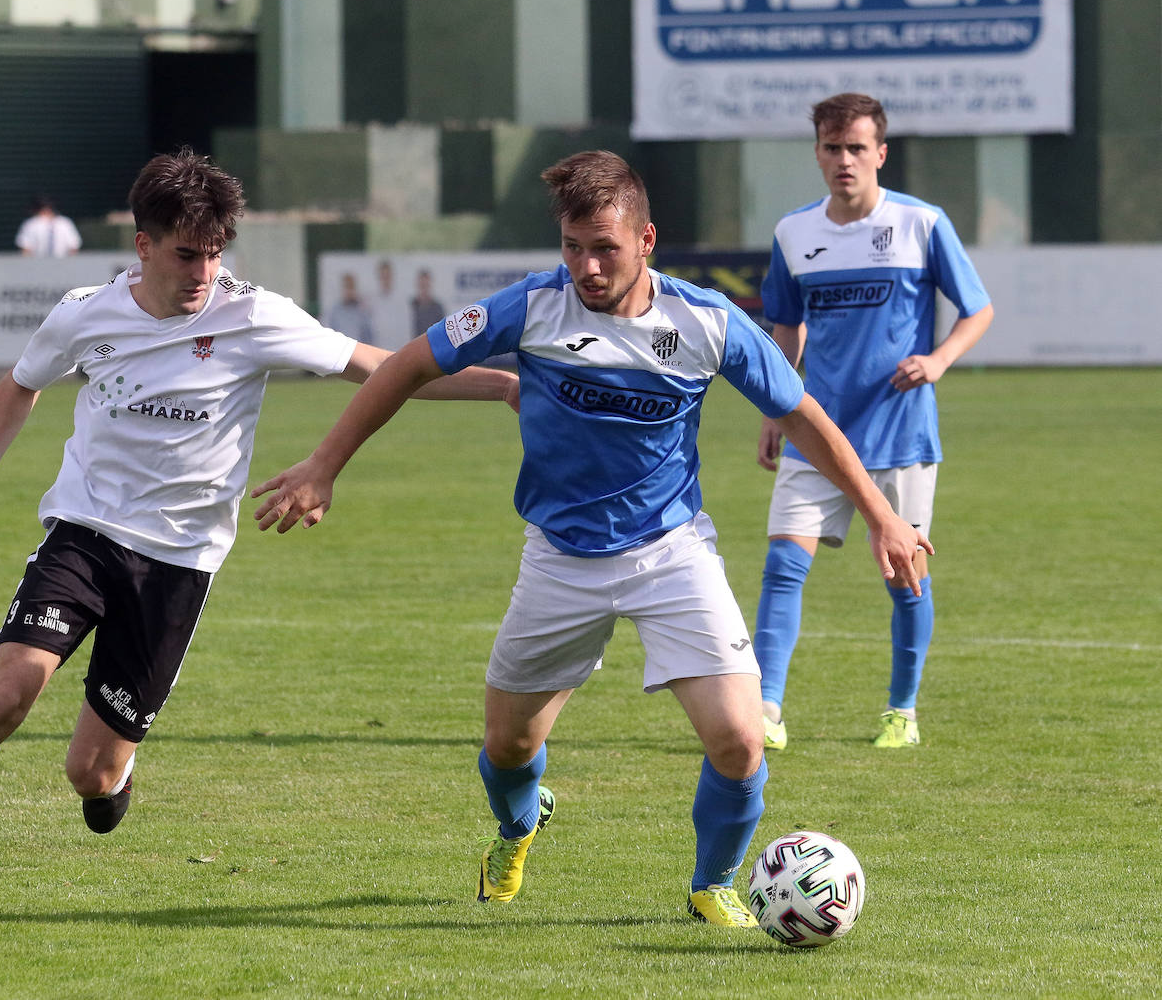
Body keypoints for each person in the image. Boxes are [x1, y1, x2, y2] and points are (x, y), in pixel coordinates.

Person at [251, 150, 930, 926]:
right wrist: (324, 463)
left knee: (742, 740)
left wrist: (882, 514)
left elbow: (803, 415)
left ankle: (714, 882)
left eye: (604, 246)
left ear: (647, 237)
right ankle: (518, 825)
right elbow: (406, 365)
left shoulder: (707, 322)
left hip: (671, 551)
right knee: (506, 747)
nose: (587, 265)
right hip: (560, 559)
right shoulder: (532, 306)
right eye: (573, 247)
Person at [0, 149, 518, 923]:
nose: (204, 269)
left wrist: (501, 383)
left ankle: (115, 778)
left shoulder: (254, 315)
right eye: (186, 252)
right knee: (10, 690)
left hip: (177, 564)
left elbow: (380, 365)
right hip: (85, 531)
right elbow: (23, 379)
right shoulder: (85, 311)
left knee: (90, 776)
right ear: (143, 245)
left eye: (214, 252)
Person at [752, 93, 994, 752]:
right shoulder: (794, 234)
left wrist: (940, 359)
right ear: (818, 154)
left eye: (857, 147)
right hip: (818, 430)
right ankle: (765, 709)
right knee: (782, 566)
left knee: (904, 572)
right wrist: (778, 409)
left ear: (880, 153)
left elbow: (977, 310)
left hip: (900, 433)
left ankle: (902, 711)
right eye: (832, 148)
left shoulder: (922, 223)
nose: (844, 160)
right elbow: (786, 325)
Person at [15, 194, 82, 257]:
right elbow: (26, 248)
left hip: (62, 263)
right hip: (38, 264)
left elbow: (73, 247)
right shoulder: (31, 224)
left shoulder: (64, 223)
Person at [324, 271, 375, 344]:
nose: (349, 291)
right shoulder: (334, 312)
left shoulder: (362, 311)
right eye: (347, 287)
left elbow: (369, 336)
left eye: (351, 287)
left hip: (359, 352)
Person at [409, 267, 445, 337]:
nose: (424, 287)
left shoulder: (437, 307)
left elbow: (441, 331)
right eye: (422, 284)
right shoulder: (411, 305)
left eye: (426, 284)